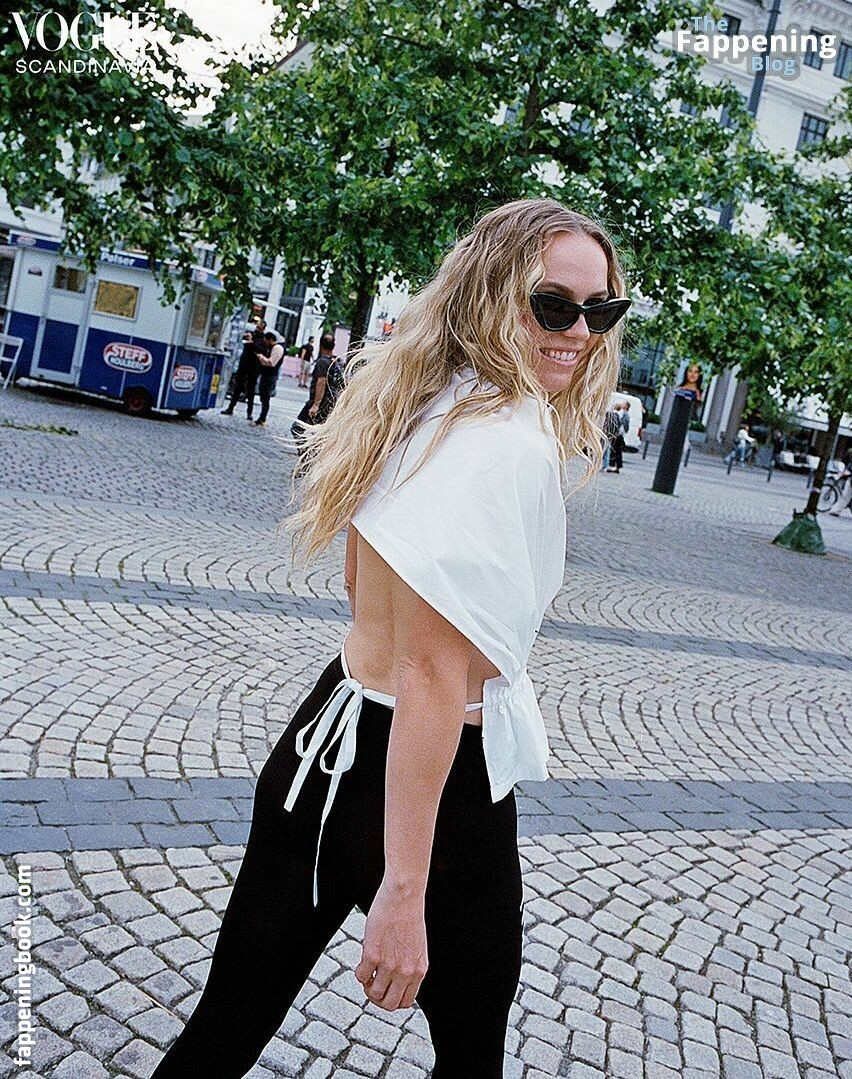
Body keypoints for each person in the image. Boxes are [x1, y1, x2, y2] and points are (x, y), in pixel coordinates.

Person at [150, 197, 631, 1079]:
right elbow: (431, 674)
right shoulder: (508, 443)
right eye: (553, 306)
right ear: (493, 295)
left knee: (221, 1034)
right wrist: (403, 891)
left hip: (323, 742)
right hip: (436, 782)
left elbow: (358, 585)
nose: (579, 333)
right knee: (471, 1059)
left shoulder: (419, 401)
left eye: (600, 310)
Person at [291, 331, 337, 449]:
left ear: (320, 345)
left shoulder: (322, 362)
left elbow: (321, 382)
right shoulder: (334, 361)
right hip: (328, 403)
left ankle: (307, 454)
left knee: (297, 428)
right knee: (317, 432)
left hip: (318, 404)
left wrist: (316, 404)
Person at [222, 319, 266, 420]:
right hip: (244, 364)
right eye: (257, 325)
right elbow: (242, 340)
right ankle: (230, 408)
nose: (257, 327)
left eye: (259, 326)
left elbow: (260, 349)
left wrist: (252, 342)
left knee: (250, 390)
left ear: (263, 328)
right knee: (237, 387)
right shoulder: (251, 334)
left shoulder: (262, 339)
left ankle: (249, 412)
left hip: (254, 366)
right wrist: (247, 338)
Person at [255, 332, 285, 427]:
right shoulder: (272, 348)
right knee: (263, 395)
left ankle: (263, 417)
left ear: (270, 340)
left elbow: (272, 363)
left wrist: (261, 357)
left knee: (266, 396)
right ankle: (262, 417)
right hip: (266, 374)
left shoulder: (277, 348)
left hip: (270, 375)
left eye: (266, 341)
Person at [603, 400, 623, 472]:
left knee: (606, 450)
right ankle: (606, 465)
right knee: (607, 450)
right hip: (612, 435)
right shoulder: (618, 415)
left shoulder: (612, 414)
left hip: (608, 434)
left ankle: (605, 465)